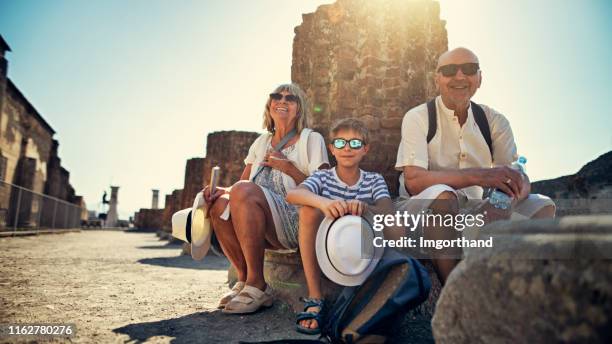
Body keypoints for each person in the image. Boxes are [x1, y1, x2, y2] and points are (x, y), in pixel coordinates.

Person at [395, 47, 556, 285]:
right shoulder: (418, 117)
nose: (459, 77)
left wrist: (504, 201)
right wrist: (481, 176)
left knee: (542, 206)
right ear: (437, 79)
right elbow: (414, 181)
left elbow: (516, 177)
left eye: (469, 69)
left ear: (479, 78)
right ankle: (454, 294)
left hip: (475, 212)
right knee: (443, 196)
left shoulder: (495, 122)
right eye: (450, 71)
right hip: (421, 212)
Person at [204, 83, 329, 314]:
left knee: (241, 191)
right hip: (256, 218)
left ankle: (258, 285)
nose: (282, 101)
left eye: (290, 99)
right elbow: (240, 186)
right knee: (219, 203)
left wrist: (288, 168)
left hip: (294, 219)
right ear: (269, 105)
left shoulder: (311, 139)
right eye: (276, 96)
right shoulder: (260, 143)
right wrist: (220, 191)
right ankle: (244, 281)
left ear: (299, 109)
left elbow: (322, 187)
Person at [287, 118, 394, 334]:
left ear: (365, 149)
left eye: (355, 143)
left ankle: (377, 293)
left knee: (397, 225)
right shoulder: (323, 177)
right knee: (308, 210)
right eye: (340, 143)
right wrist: (324, 202)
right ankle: (315, 297)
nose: (347, 148)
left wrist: (366, 208)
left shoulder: (373, 180)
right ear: (331, 149)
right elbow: (293, 194)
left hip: (362, 249)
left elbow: (387, 210)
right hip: (328, 247)